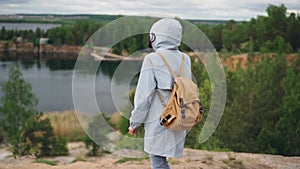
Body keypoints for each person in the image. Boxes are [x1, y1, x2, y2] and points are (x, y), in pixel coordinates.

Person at [128, 18, 192, 169]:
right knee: (160, 160)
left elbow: (143, 96)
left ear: (156, 36)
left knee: (157, 162)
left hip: (160, 120)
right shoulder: (185, 58)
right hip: (179, 117)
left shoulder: (152, 59)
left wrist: (134, 122)